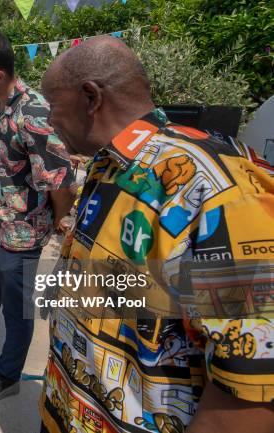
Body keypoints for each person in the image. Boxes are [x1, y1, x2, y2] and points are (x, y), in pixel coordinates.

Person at [39, 35, 274, 433]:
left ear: (91, 97)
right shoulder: (110, 166)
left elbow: (250, 391)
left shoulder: (220, 192)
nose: (49, 119)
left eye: (53, 104)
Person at [0, 32, 76, 401]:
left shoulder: (33, 112)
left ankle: (7, 375)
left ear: (0, 76)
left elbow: (61, 182)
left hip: (22, 232)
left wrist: (56, 224)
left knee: (18, 307)